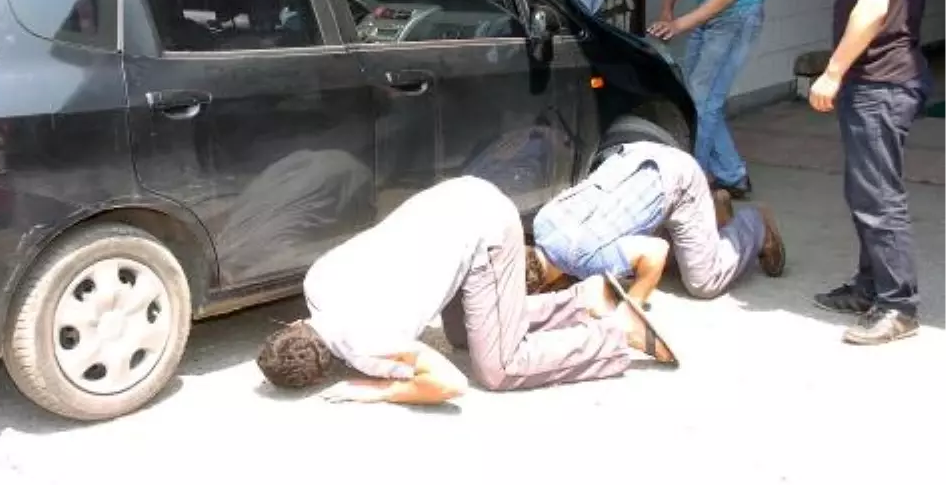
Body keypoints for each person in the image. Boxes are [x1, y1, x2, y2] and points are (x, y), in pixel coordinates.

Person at [255, 176, 678, 405]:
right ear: (295, 323)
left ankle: (616, 334)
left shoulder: (366, 349)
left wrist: (372, 391)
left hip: (487, 232)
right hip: (454, 196)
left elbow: (448, 384)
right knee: (463, 336)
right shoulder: (317, 280)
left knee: (499, 368)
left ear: (324, 370)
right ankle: (584, 301)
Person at [810, 0, 931, 346]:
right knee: (866, 191)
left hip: (879, 80)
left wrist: (833, 71)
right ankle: (868, 286)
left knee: (878, 196)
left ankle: (897, 304)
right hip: (887, 77)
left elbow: (875, 5)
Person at [620, 0, 767, 199]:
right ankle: (732, 175)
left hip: (738, 12)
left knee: (701, 101)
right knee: (697, 97)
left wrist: (681, 24)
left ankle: (691, 187)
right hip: (710, 10)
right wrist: (667, 10)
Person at [532, 141, 786, 307]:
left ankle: (756, 224)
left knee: (703, 282)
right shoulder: (541, 222)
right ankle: (713, 211)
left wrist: (632, 308)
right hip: (636, 157)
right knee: (635, 263)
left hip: (678, 179)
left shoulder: (584, 260)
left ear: (543, 288)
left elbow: (656, 252)